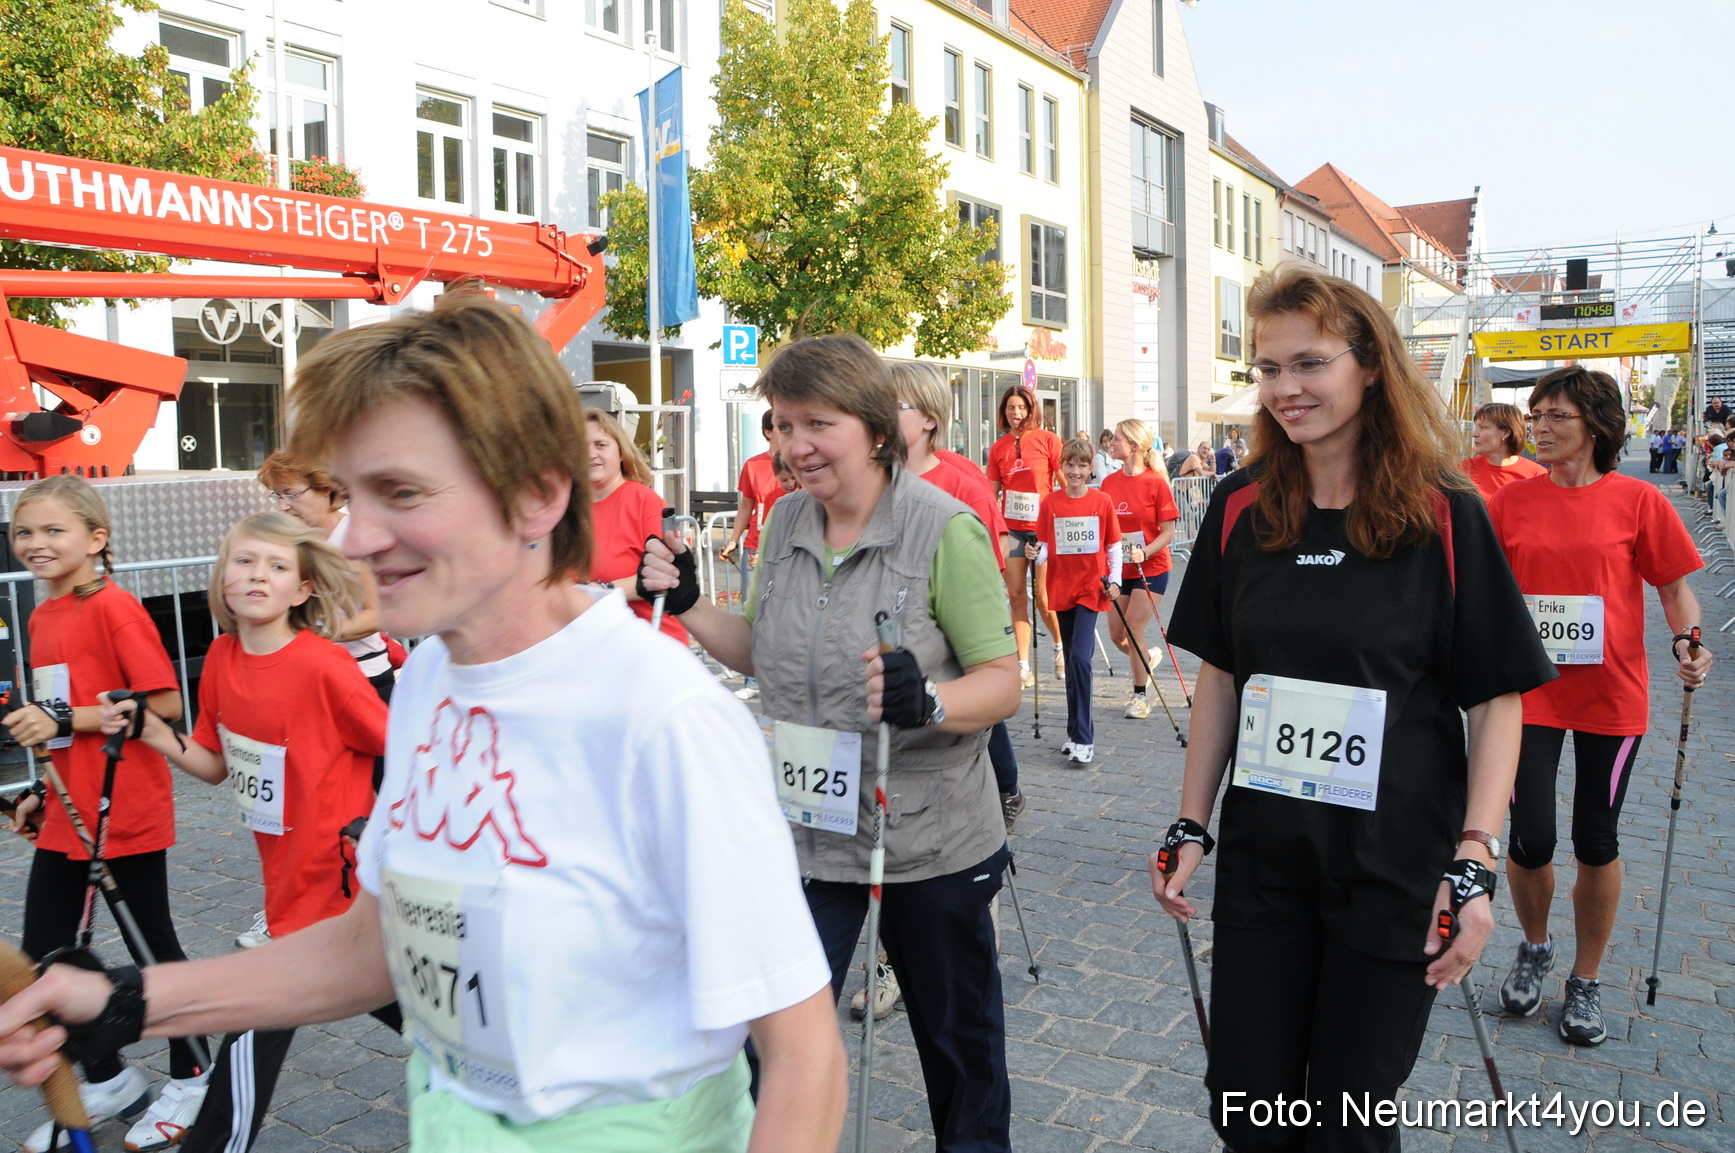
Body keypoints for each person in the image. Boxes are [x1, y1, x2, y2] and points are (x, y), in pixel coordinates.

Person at [0, 290, 846, 1153]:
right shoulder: (437, 670)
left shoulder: (662, 716)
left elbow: (804, 1057)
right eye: (350, 495)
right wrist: (128, 1001)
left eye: (400, 492)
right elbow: (377, 944)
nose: (357, 538)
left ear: (536, 497)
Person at [1154, 265, 1556, 1153]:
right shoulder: (1239, 505)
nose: (1285, 388)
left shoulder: (1445, 511)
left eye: (1308, 363)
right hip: (1267, 858)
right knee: (1247, 1108)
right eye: (1266, 368)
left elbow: (1495, 698)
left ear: (1369, 363)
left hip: (1393, 865)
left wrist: (1475, 858)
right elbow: (1222, 675)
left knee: (1346, 1120)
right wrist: (1190, 821)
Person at [640, 334, 1021, 1153]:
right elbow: (765, 654)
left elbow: (1002, 681)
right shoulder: (782, 520)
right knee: (763, 1044)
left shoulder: (941, 528)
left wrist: (928, 700)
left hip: (925, 835)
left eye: (816, 422)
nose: (792, 446)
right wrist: (693, 603)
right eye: (779, 424)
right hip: (805, 830)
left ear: (876, 429)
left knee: (958, 1049)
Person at [102, 512, 391, 1153]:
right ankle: (506, 1082)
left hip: (338, 886)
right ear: (221, 577)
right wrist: (152, 729)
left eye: (277, 566)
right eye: (244, 561)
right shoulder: (223, 660)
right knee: (413, 1010)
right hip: (288, 882)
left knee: (251, 1030)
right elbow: (212, 764)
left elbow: (400, 749)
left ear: (304, 589)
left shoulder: (324, 667)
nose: (257, 574)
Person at [1486, 367, 1711, 1046]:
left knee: (1596, 836)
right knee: (1530, 837)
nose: (1540, 428)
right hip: (1529, 696)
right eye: (1535, 415)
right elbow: (1482, 594)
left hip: (1610, 696)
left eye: (1556, 416)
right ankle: (1532, 944)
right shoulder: (1509, 502)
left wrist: (1688, 642)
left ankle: (1583, 978)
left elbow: (1674, 593)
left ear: (1597, 426)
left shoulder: (1638, 501)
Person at [0, 475, 205, 1153]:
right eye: (25, 531)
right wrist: (37, 789)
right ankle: (108, 1075)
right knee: (40, 960)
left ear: (96, 538)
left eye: (54, 530)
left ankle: (195, 1073)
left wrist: (61, 715)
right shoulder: (39, 612)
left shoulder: (114, 607)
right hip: (67, 807)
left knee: (152, 949)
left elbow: (165, 705)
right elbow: (55, 724)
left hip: (126, 808)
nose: (35, 544)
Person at [1026, 439, 1121, 765]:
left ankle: (1085, 737)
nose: (1076, 471)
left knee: (1080, 659)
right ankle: (1073, 733)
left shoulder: (1102, 501)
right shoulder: (1051, 503)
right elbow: (1046, 547)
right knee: (1070, 660)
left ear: (1090, 468)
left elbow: (1113, 546)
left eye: (1082, 466)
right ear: (1062, 467)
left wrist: (1117, 581)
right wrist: (1035, 554)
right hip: (1061, 588)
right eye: (1070, 465)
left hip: (1091, 589)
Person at [586, 407, 689, 644]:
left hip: (650, 643)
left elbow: (664, 577)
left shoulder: (644, 502)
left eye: (600, 445)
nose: (590, 454)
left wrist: (600, 590)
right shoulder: (567, 509)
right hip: (593, 647)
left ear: (621, 453)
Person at [1100, 419, 1181, 719]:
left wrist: (1144, 551)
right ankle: (1146, 658)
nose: (1112, 441)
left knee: (1134, 626)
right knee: (1117, 634)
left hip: (1153, 566)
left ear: (1134, 446)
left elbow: (1168, 532)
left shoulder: (1156, 483)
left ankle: (1140, 697)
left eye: (1118, 438)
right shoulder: (1109, 483)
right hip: (1121, 569)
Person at [987, 385, 1064, 687]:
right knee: (1017, 596)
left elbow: (1065, 481)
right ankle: (1022, 665)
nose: (1016, 414)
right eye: (1011, 408)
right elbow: (991, 494)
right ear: (1003, 412)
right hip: (1013, 530)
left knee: (1044, 599)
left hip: (1043, 529)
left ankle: (1060, 647)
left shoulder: (1048, 440)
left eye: (1022, 408)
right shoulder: (998, 448)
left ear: (1032, 410)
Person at [1460, 402, 1548, 498]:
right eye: (1476, 427)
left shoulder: (1538, 476)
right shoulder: (1462, 471)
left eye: (1483, 428)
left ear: (1505, 432)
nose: (1474, 434)